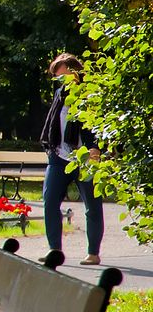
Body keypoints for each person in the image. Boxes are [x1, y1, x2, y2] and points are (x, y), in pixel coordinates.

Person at [39, 54, 104, 264]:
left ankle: (93, 253)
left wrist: (95, 148)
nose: (60, 82)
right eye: (57, 78)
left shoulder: (89, 95)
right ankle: (54, 251)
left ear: (75, 73)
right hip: (58, 156)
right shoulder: (59, 95)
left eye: (63, 77)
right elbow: (53, 125)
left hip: (85, 157)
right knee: (50, 202)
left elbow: (98, 126)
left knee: (92, 206)